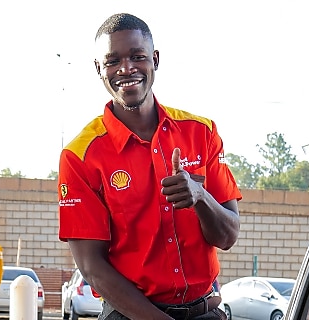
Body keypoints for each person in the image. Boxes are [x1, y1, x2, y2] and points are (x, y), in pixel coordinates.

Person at [57, 13, 242, 320]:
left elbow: (227, 237)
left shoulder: (202, 132)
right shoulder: (80, 156)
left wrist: (200, 196)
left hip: (207, 311)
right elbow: (92, 267)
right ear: (98, 69)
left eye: (137, 56)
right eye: (113, 60)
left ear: (155, 59)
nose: (126, 69)